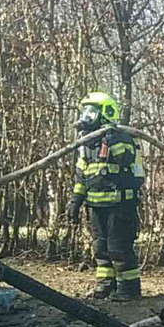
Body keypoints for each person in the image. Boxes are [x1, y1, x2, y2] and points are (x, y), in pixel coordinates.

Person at [66, 92, 145, 300]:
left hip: (120, 204)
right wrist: (75, 201)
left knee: (118, 248)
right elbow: (81, 175)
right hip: (96, 206)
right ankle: (105, 284)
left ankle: (129, 288)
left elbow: (125, 158)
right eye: (85, 111)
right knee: (100, 247)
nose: (86, 116)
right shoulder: (87, 144)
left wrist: (111, 138)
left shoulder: (123, 137)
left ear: (106, 113)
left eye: (91, 111)